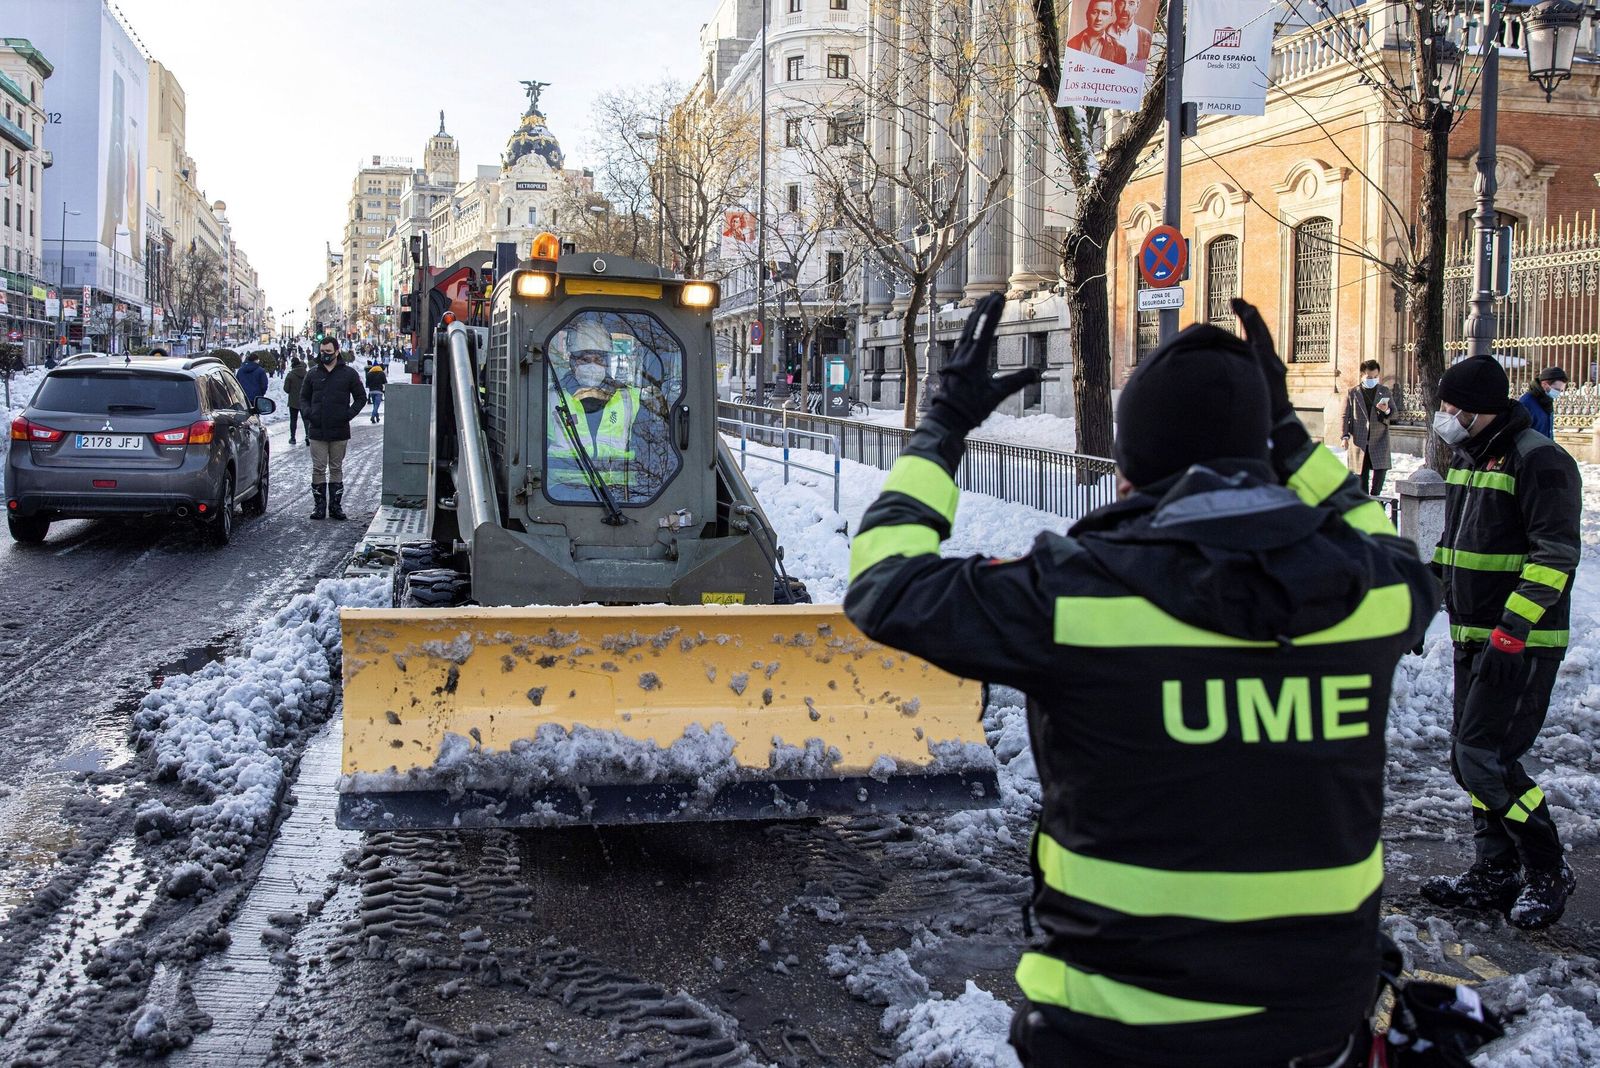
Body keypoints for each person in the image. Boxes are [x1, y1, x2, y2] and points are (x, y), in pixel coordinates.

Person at [844, 293, 1437, 1068]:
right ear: (1263, 457)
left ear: (1128, 472)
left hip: (1117, 1033)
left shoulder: (1076, 597)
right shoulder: (1373, 596)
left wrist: (944, 424)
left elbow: (884, 583)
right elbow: (1385, 542)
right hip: (1317, 1032)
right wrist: (1291, 437)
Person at [1420, 354, 1581, 930]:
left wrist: (1512, 633)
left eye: (1451, 406)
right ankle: (1495, 869)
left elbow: (1554, 556)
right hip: (1474, 638)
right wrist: (1420, 606)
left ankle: (1546, 868)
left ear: (1479, 408)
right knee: (1470, 761)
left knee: (1483, 758)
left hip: (1521, 643)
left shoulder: (1540, 460)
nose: (1444, 415)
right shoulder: (1470, 458)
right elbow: (1452, 548)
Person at [545, 317, 668, 502]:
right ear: (572, 362)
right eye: (585, 359)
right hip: (559, 494)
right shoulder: (551, 398)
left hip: (623, 496)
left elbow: (651, 446)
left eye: (598, 359)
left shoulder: (631, 399)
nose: (592, 366)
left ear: (607, 362)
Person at [299, 337, 367, 520]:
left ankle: (335, 507)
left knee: (336, 468)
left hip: (339, 430)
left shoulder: (349, 374)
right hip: (317, 430)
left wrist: (347, 414)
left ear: (337, 352)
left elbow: (361, 397)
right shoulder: (312, 374)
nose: (324, 355)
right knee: (318, 468)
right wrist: (309, 413)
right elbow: (303, 398)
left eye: (328, 352)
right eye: (322, 352)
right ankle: (319, 507)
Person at [1341, 359, 1393, 496]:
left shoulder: (1384, 391)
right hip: (1360, 442)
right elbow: (1345, 416)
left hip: (1379, 440)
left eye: (1375, 377)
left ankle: (1376, 500)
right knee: (1360, 477)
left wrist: (1386, 410)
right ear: (1362, 375)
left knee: (1380, 473)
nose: (1373, 380)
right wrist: (1344, 436)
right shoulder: (1352, 393)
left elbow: (1394, 414)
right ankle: (1364, 500)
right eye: (1369, 377)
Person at [1517, 366, 1566, 438]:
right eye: (1556, 389)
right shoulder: (1527, 402)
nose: (1558, 393)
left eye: (1561, 390)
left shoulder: (1547, 401)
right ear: (1545, 384)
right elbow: (1519, 434)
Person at [1112, 0, 1153, 68]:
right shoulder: (1102, 33)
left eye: (1131, 4)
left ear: (1137, 7)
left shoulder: (1145, 36)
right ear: (1115, 5)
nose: (1125, 9)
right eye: (1121, 3)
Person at [284, 356, 307, 445]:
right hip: (305, 401)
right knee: (306, 419)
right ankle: (308, 436)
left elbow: (286, 389)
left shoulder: (290, 375)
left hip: (293, 402)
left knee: (293, 420)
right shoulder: (307, 374)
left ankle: (293, 438)